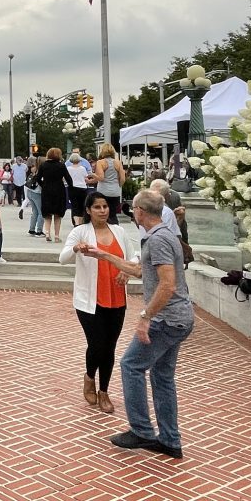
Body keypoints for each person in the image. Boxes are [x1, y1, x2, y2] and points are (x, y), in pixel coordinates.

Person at [86, 190, 195, 459]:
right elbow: (139, 271)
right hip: (178, 318)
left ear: (140, 212)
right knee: (162, 376)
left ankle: (142, 431)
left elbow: (167, 284)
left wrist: (146, 317)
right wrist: (105, 256)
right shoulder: (162, 236)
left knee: (131, 365)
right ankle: (170, 440)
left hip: (167, 320)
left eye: (133, 209)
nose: (132, 213)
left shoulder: (157, 240)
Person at [60, 192, 133, 414]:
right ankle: (89, 376)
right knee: (97, 344)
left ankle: (104, 391)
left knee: (110, 346)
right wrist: (75, 248)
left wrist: (125, 271)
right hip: (89, 300)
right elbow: (62, 258)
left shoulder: (119, 232)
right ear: (89, 210)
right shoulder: (80, 232)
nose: (102, 210)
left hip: (117, 297)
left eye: (105, 207)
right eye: (97, 207)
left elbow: (134, 257)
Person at [33, 148, 73, 243]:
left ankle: (47, 233)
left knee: (47, 214)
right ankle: (57, 236)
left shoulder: (43, 165)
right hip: (59, 190)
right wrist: (71, 187)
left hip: (47, 190)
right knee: (58, 214)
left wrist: (44, 185)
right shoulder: (61, 165)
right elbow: (69, 179)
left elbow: (38, 178)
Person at [90, 143, 126, 224]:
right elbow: (123, 178)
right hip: (115, 192)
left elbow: (101, 177)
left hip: (103, 191)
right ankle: (115, 230)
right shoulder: (118, 163)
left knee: (103, 214)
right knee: (113, 213)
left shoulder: (100, 162)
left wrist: (92, 174)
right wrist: (118, 185)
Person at [66, 153, 90, 225]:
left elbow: (65, 179)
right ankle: (81, 221)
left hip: (72, 188)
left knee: (74, 206)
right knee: (82, 205)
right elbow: (86, 178)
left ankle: (76, 223)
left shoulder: (68, 169)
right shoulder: (82, 168)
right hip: (82, 188)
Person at [26, 157, 46, 237]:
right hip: (37, 192)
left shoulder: (33, 169)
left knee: (34, 211)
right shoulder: (42, 171)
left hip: (30, 191)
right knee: (41, 212)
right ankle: (39, 231)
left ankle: (31, 229)